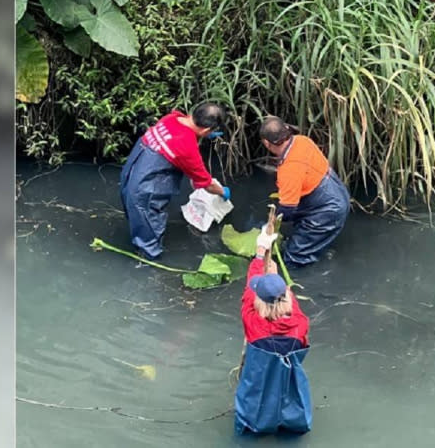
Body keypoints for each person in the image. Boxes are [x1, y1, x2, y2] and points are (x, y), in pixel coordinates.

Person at [120, 103, 230, 259]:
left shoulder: (172, 118)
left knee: (138, 221)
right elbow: (206, 183)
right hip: (146, 188)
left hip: (130, 173)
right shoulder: (187, 146)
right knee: (149, 241)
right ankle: (146, 264)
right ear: (206, 130)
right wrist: (223, 191)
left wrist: (200, 136)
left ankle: (140, 241)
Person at [234, 229, 312, 435]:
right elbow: (289, 301)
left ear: (259, 301)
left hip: (257, 396)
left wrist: (260, 253)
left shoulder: (252, 322)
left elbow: (248, 294)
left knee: (250, 423)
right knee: (292, 420)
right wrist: (275, 278)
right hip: (289, 393)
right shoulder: (300, 323)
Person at [259, 116, 350, 267]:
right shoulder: (302, 140)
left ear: (266, 143)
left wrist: (269, 227)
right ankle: (318, 247)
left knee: (295, 258)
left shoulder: (289, 170)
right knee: (309, 237)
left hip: (326, 209)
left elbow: (286, 212)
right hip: (335, 190)